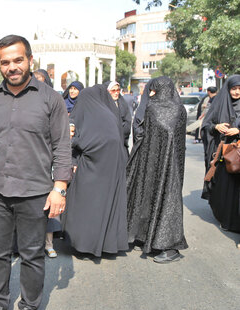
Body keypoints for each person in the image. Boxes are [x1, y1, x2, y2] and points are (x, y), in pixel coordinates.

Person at [0, 35, 72, 310]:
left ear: (30, 60)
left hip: (35, 191)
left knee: (32, 254)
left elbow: (62, 145)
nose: (12, 67)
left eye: (18, 60)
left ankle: (29, 308)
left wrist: (59, 188)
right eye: (5, 62)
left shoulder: (50, 99)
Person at [62, 85, 129, 257]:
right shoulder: (110, 114)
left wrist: (74, 142)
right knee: (106, 206)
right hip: (112, 168)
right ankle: (105, 244)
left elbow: (88, 140)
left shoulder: (89, 112)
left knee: (87, 205)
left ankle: (85, 244)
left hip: (92, 167)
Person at [126, 76, 188, 263]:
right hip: (164, 163)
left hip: (161, 163)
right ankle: (150, 239)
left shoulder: (153, 108)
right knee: (157, 198)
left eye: (153, 90)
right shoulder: (180, 109)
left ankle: (170, 247)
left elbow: (143, 134)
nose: (150, 93)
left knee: (166, 201)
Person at [201, 75, 240, 232]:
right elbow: (206, 125)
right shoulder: (219, 102)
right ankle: (224, 217)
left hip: (238, 155)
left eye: (239, 89)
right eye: (233, 89)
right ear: (228, 89)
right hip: (223, 154)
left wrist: (238, 130)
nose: (237, 92)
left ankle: (234, 222)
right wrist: (216, 127)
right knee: (222, 187)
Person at [107, 81, 132, 148]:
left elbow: (127, 121)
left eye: (118, 90)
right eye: (113, 90)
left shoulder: (122, 103)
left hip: (121, 141)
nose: (116, 93)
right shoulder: (103, 105)